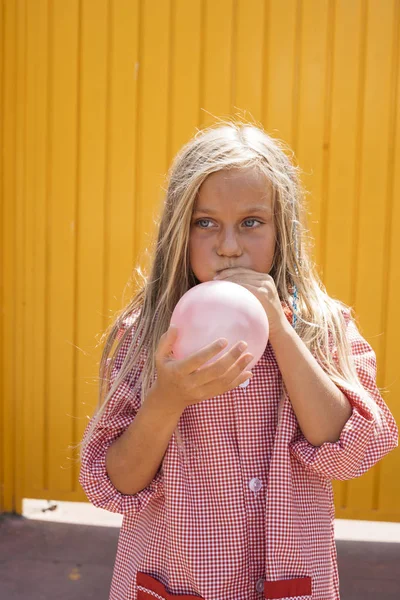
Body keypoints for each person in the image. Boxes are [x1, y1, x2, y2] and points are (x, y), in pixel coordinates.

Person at [79, 122, 398, 600]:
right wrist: (168, 399)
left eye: (251, 222)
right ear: (178, 231)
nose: (229, 246)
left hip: (291, 584)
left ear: (282, 229)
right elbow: (114, 487)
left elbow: (353, 453)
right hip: (172, 582)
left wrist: (282, 332)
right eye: (205, 223)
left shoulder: (322, 327)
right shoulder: (145, 337)